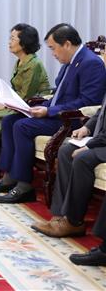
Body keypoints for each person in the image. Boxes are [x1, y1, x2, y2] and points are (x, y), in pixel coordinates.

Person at [0, 24, 106, 203]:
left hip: (73, 120)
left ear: (67, 44)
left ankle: (24, 186)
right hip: (58, 113)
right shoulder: (70, 61)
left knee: (22, 126)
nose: (52, 54)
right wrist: (36, 107)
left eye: (53, 48)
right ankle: (10, 176)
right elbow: (59, 95)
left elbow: (88, 102)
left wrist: (49, 110)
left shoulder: (90, 63)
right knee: (9, 121)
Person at [0, 24, 50, 179]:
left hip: (32, 106)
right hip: (18, 104)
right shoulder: (20, 61)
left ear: (24, 42)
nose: (9, 42)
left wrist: (5, 104)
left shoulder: (34, 64)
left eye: (13, 38)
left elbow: (27, 95)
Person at [30, 92, 106, 251]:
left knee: (82, 159)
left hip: (103, 142)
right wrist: (86, 127)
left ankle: (74, 220)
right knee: (65, 151)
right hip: (101, 140)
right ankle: (60, 216)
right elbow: (101, 111)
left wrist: (90, 146)